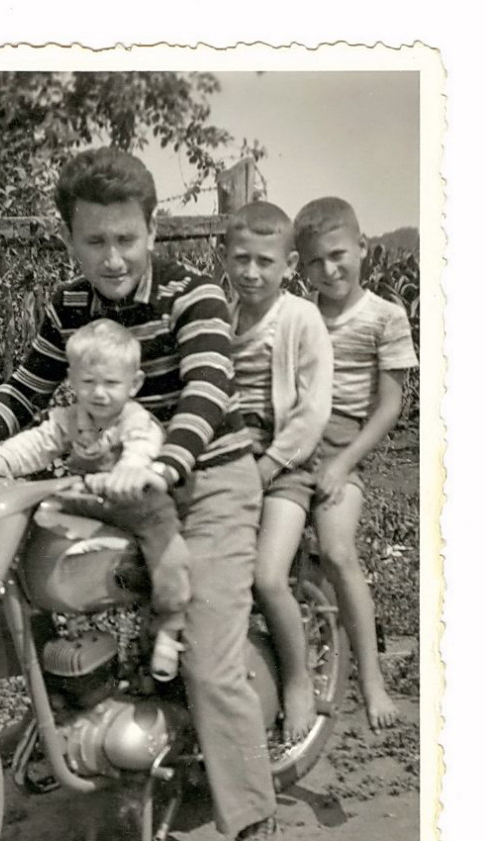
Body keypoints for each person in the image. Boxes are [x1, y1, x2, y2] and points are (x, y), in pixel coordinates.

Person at [0, 146, 276, 841]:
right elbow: (30, 384)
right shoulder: (71, 307)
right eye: (95, 241)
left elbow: (209, 392)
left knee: (211, 656)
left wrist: (166, 464)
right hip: (109, 482)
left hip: (206, 476)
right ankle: (59, 715)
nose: (112, 257)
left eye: (125, 238)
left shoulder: (197, 297)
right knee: (14, 543)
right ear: (71, 241)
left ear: (153, 231)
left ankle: (252, 826)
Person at [0, 318, 190, 681]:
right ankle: (41, 623)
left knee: (170, 554)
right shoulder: (70, 418)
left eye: (111, 384)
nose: (99, 393)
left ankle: (170, 626)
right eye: (88, 382)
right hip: (89, 499)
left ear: (133, 385)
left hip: (140, 506)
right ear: (72, 381)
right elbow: (38, 443)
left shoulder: (135, 419)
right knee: (33, 523)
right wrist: (0, 460)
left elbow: (142, 447)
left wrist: (130, 472)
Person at [293, 196, 419, 730]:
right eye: (316, 261)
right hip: (293, 446)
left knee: (339, 551)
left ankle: (371, 679)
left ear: (364, 249)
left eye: (339, 254)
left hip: (345, 447)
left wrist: (343, 465)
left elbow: (390, 407)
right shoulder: (297, 316)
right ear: (302, 268)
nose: (330, 269)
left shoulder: (384, 318)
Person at [225, 202, 333, 742]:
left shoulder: (299, 319)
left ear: (288, 264)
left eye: (264, 262)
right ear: (224, 258)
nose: (251, 272)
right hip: (230, 463)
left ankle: (297, 681)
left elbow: (313, 410)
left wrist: (268, 466)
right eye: (241, 259)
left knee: (268, 577)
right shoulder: (224, 319)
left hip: (286, 466)